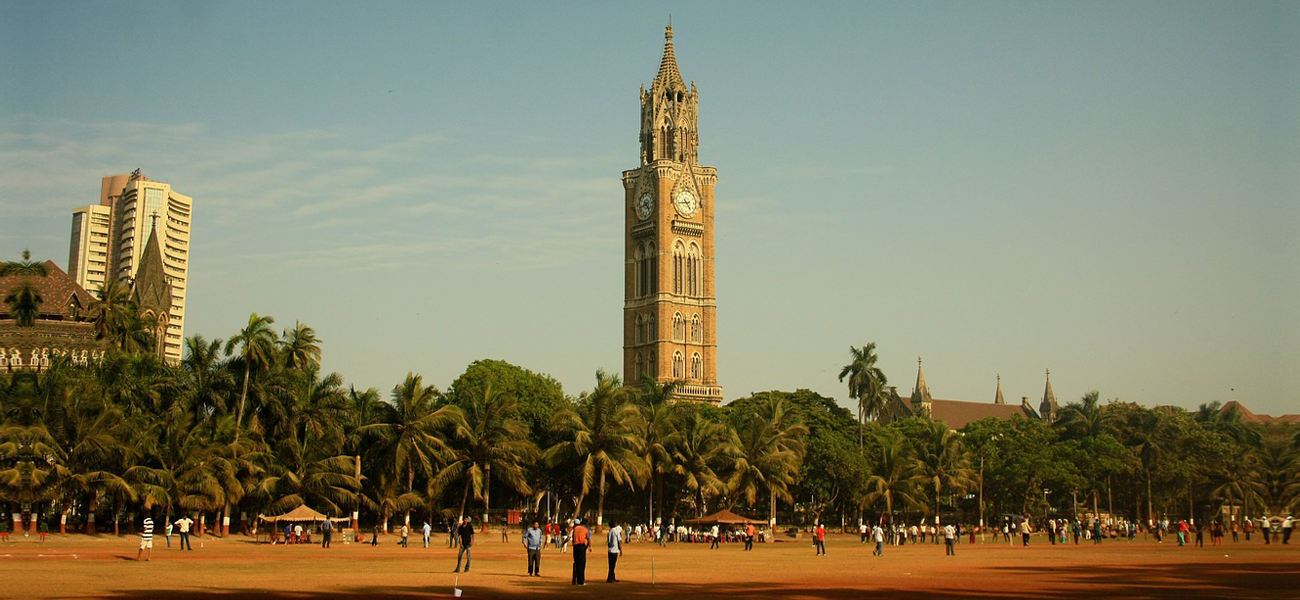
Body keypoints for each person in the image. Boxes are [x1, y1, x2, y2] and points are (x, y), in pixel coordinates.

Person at [571, 518, 590, 585]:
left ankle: (574, 580)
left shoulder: (575, 529)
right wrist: (588, 547)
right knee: (582, 564)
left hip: (575, 546)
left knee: (576, 563)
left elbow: (572, 539)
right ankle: (581, 581)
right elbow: (588, 539)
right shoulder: (585, 529)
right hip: (581, 546)